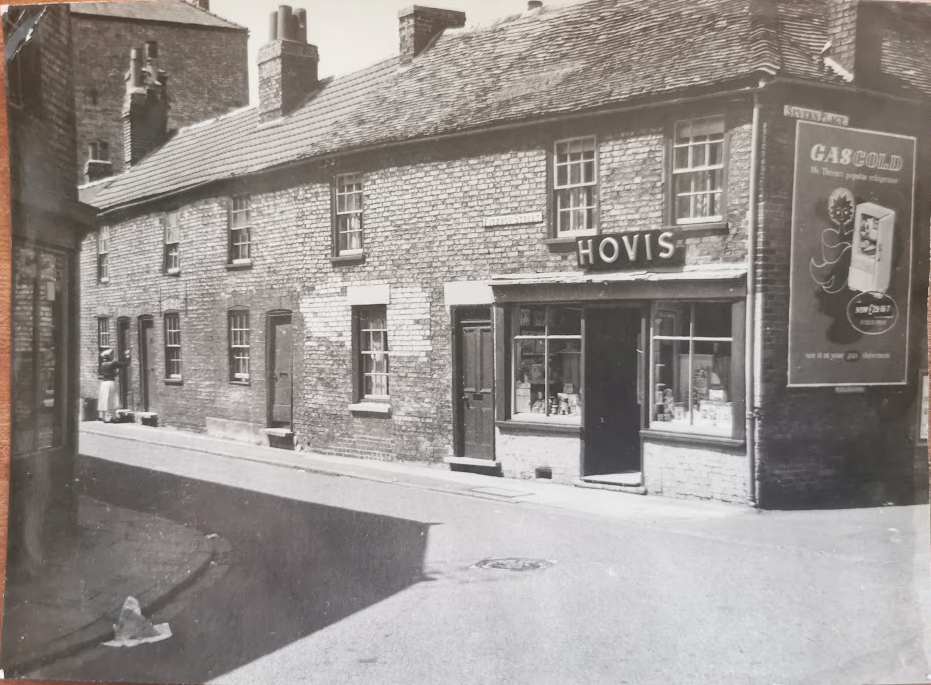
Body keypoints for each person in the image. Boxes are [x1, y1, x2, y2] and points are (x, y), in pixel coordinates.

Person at [97, 348, 128, 423]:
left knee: (104, 399)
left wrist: (115, 372)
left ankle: (104, 416)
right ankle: (111, 417)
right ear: (109, 356)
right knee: (112, 399)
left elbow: (103, 374)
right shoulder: (113, 363)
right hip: (110, 382)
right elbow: (124, 365)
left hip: (103, 383)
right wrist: (127, 357)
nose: (112, 356)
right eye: (111, 354)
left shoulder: (102, 365)